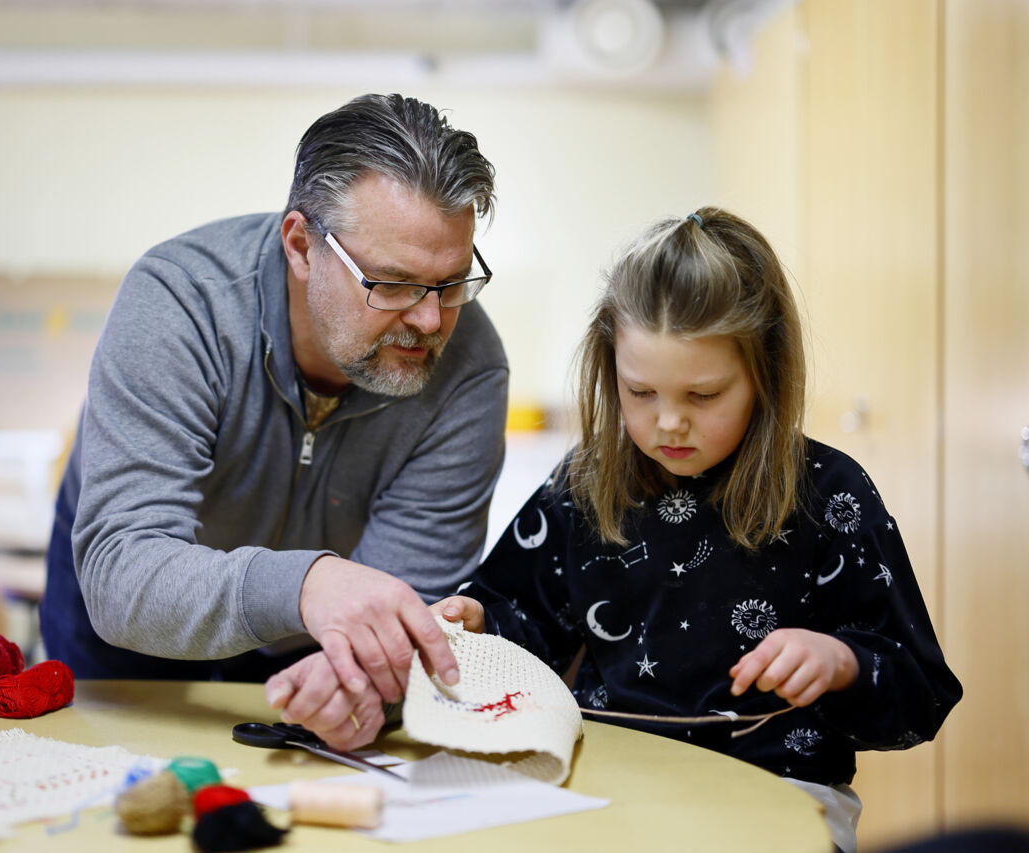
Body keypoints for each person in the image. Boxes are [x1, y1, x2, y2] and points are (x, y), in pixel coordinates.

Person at [266, 207, 961, 853]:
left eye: (703, 394)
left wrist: (840, 662)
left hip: (778, 792)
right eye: (640, 392)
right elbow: (520, 619)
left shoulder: (831, 494)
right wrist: (474, 618)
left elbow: (921, 694)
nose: (668, 423)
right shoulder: (588, 480)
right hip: (607, 784)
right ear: (610, 371)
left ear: (767, 375)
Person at [41, 94, 509, 724]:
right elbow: (125, 571)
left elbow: (402, 609)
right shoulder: (181, 302)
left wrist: (371, 682)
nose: (430, 320)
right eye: (392, 282)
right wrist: (308, 583)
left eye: (452, 283)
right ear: (300, 246)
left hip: (318, 631)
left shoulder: (470, 369)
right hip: (134, 615)